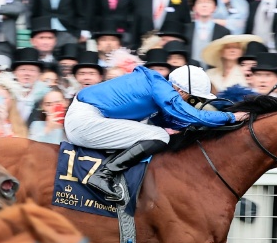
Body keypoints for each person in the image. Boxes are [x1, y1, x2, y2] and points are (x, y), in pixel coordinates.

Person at [64, 64, 247, 201]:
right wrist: (231, 117)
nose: (192, 102)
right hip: (85, 122)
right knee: (159, 136)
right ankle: (104, 175)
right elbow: (189, 114)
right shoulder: (160, 88)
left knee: (159, 133)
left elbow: (175, 121)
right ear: (181, 91)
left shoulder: (158, 88)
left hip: (87, 117)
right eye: (193, 98)